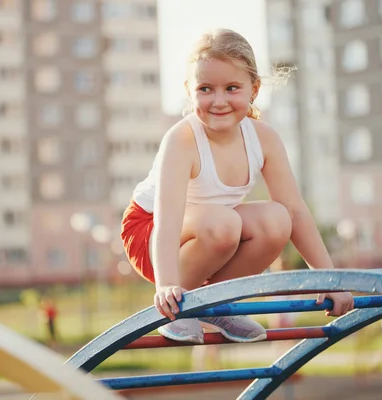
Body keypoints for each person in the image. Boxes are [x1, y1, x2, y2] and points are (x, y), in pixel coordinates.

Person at [120, 28, 354, 344]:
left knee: (278, 220)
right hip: (151, 234)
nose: (219, 101)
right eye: (205, 89)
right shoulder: (182, 139)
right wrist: (166, 285)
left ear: (253, 90)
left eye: (232, 88)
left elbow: (296, 211)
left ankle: (214, 304)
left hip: (212, 233)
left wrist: (329, 278)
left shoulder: (263, 138)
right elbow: (168, 220)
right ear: (189, 91)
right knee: (225, 223)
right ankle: (182, 303)